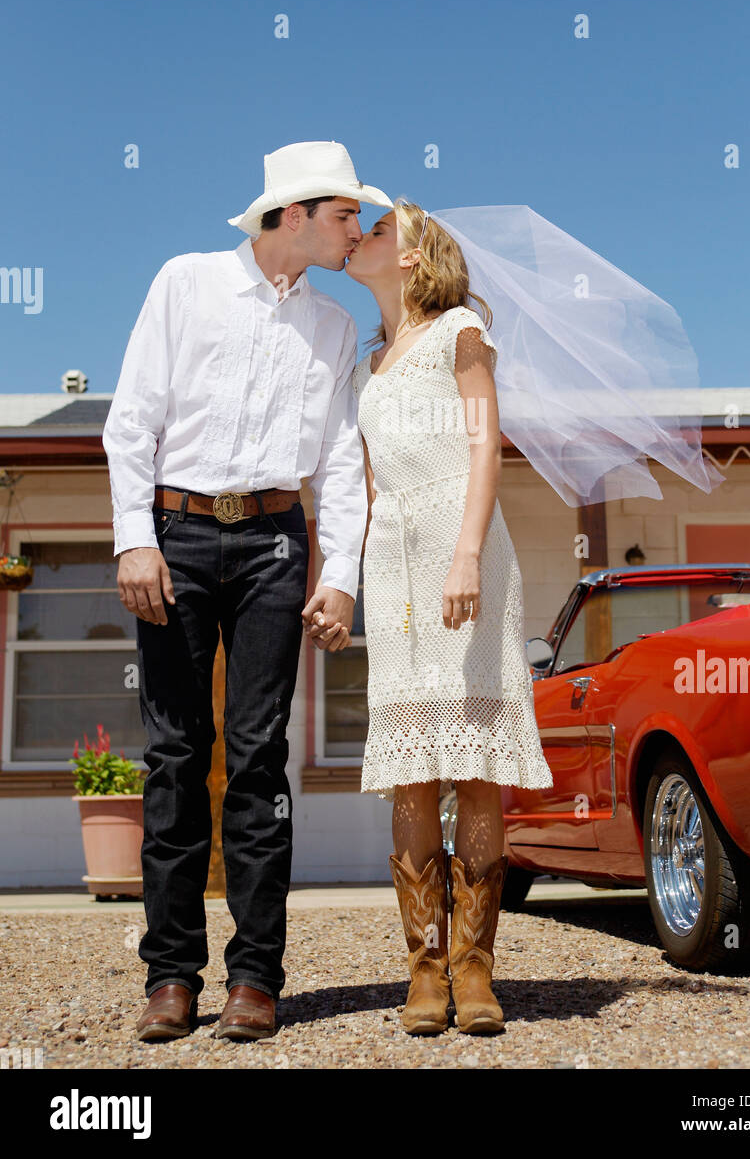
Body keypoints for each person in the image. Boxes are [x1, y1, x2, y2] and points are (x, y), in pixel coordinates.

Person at [102, 140, 392, 1042]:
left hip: (275, 542)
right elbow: (131, 423)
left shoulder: (336, 327)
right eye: (346, 215)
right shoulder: (184, 283)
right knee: (176, 752)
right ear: (295, 214)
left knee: (261, 756)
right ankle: (171, 977)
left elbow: (342, 466)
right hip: (177, 537)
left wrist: (338, 576)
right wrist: (135, 541)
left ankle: (256, 979)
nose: (358, 230)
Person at [330, 198, 554, 1036]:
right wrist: (347, 579)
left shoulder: (460, 330)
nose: (362, 237)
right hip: (394, 564)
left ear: (416, 258)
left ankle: (476, 967)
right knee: (413, 763)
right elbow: (370, 484)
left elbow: (483, 444)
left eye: (380, 230)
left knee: (475, 761)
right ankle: (425, 968)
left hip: (463, 544)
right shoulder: (368, 366)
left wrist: (465, 552)